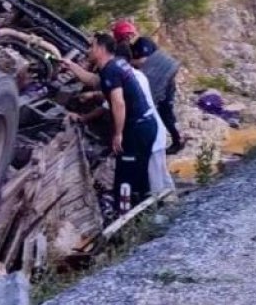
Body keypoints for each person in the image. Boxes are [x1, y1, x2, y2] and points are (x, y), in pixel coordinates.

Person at [62, 34, 159, 210]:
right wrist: (72, 66)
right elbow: (94, 81)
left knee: (125, 174)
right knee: (140, 171)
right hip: (146, 126)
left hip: (136, 128)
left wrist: (118, 134)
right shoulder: (116, 65)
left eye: (91, 46)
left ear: (100, 48)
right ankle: (146, 210)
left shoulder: (110, 70)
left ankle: (123, 215)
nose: (88, 50)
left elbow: (118, 103)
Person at [111, 20, 183, 154]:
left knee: (165, 112)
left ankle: (177, 141)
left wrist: (124, 63)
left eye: (122, 39)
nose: (123, 42)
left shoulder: (143, 42)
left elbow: (145, 61)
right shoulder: (131, 48)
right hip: (153, 84)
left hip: (163, 84)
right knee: (156, 112)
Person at [129, 38, 176, 194]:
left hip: (150, 137)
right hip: (156, 132)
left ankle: (160, 210)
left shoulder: (133, 80)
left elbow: (112, 105)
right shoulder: (141, 77)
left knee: (155, 178)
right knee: (161, 172)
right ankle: (171, 201)